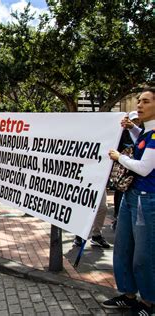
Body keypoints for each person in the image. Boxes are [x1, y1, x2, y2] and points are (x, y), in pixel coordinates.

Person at [103, 88, 155, 316]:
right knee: (123, 248)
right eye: (139, 101)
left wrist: (119, 157)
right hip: (131, 197)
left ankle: (149, 303)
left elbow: (144, 168)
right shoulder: (146, 132)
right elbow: (141, 146)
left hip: (147, 200)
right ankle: (128, 295)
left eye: (145, 101)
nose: (139, 105)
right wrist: (133, 128)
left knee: (143, 255)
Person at [111, 110, 142, 230]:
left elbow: (143, 168)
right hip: (123, 173)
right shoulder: (122, 133)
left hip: (136, 178)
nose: (135, 122)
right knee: (120, 194)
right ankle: (117, 216)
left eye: (136, 120)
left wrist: (120, 157)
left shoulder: (147, 133)